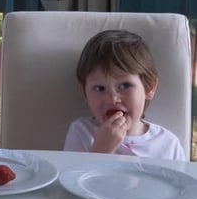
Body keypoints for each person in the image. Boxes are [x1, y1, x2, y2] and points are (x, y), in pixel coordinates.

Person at [63, 29, 185, 161]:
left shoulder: (168, 145)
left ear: (149, 88)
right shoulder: (82, 132)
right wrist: (100, 151)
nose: (112, 99)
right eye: (99, 88)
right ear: (84, 92)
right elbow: (70, 179)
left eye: (125, 86)